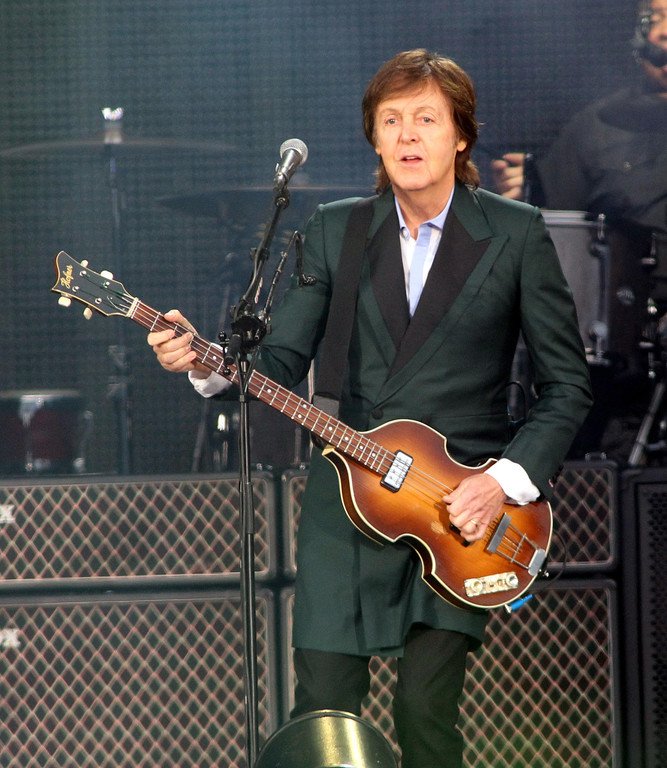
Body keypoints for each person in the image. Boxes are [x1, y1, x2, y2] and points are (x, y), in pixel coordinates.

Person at [147, 49, 592, 768]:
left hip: (458, 508)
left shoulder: (515, 232)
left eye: (426, 119)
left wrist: (501, 483)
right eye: (391, 120)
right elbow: (278, 361)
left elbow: (566, 386)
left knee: (424, 714)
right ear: (374, 139)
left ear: (461, 136)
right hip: (348, 498)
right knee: (322, 717)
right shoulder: (336, 229)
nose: (408, 135)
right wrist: (203, 361)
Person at [491, 0, 666, 234]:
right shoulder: (596, 126)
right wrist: (529, 192)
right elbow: (557, 224)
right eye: (654, 19)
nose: (662, 32)